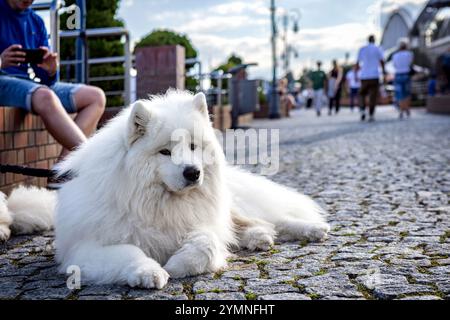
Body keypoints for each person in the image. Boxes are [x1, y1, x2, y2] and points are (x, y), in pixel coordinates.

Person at [0, 0, 106, 167]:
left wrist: (51, 70)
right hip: (3, 80)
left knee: (96, 97)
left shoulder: (36, 21)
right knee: (45, 96)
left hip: (32, 84)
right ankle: (94, 163)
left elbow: (47, 81)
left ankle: (63, 170)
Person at [356, 35, 386, 122]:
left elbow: (358, 63)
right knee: (373, 96)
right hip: (374, 76)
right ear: (374, 40)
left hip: (364, 76)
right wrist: (383, 73)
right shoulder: (378, 48)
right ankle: (371, 114)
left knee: (361, 93)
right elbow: (382, 61)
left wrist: (356, 74)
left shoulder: (362, 49)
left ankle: (362, 110)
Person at [392, 40, 414, 119]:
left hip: (398, 75)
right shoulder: (409, 54)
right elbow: (410, 63)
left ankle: (401, 110)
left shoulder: (395, 55)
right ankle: (407, 108)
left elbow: (394, 65)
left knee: (399, 94)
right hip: (406, 74)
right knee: (407, 93)